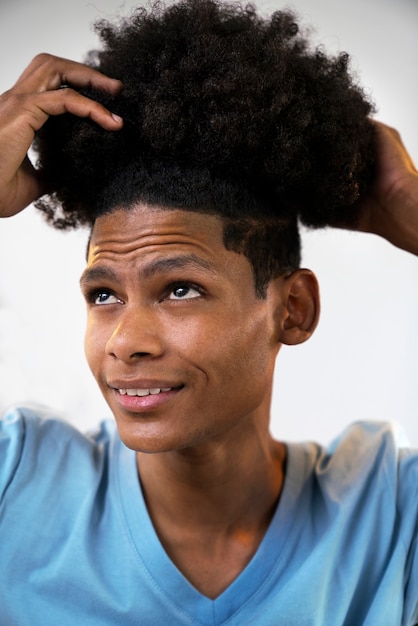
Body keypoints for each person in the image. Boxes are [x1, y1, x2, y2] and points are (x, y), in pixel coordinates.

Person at [0, 0, 417, 623]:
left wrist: (408, 205)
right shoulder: (16, 479)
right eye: (103, 295)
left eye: (180, 289)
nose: (125, 342)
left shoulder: (389, 518)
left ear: (293, 310)